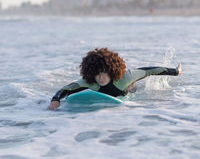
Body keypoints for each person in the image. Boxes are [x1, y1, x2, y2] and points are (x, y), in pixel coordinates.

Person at [49, 48, 182, 110]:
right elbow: (66, 89)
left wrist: (175, 71)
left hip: (129, 89)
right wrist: (55, 100)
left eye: (104, 73)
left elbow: (150, 70)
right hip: (109, 95)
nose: (100, 78)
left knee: (133, 89)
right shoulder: (90, 83)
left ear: (111, 71)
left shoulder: (126, 77)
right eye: (97, 74)